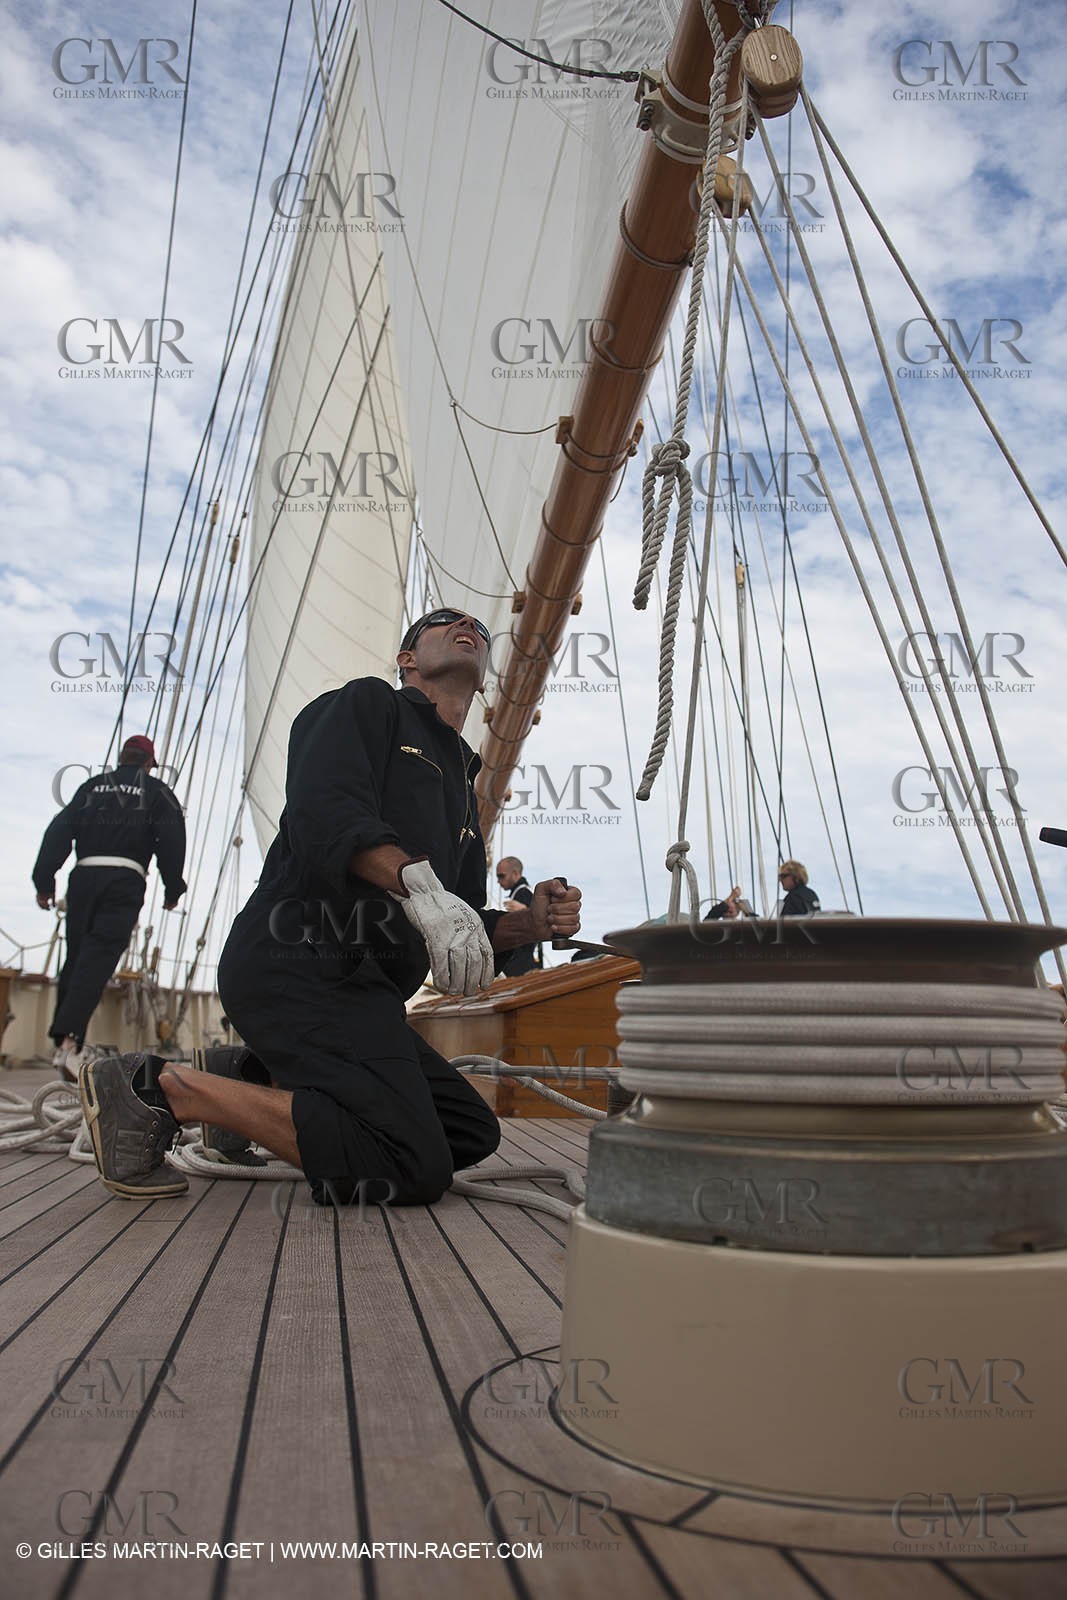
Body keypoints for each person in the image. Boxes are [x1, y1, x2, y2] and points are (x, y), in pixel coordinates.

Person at [77, 608, 583, 1202]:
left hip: (365, 991)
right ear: (407, 660)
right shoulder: (369, 706)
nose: (466, 625)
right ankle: (155, 1088)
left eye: (477, 626)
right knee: (410, 1164)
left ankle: (242, 1076)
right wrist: (418, 885)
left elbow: (461, 916)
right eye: (443, 621)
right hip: (298, 963)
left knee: (468, 1133)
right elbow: (325, 812)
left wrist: (530, 923)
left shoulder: (462, 793)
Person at [33, 735, 186, 1080]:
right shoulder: (158, 792)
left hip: (84, 876)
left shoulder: (92, 786)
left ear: (122, 759)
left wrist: (44, 882)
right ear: (149, 763)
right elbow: (172, 839)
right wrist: (173, 887)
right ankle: (70, 1043)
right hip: (124, 880)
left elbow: (58, 832)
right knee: (98, 955)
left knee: (75, 958)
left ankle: (64, 1042)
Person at [495, 856, 541, 976]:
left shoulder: (523, 893)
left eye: (501, 876)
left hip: (520, 965)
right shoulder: (522, 893)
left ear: (515, 874)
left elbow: (538, 925)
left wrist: (526, 912)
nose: (498, 881)